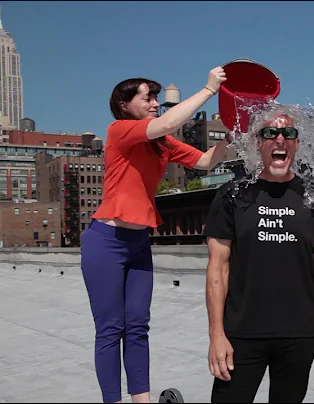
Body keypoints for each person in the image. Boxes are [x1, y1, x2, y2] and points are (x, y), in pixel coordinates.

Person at [80, 67, 231, 403]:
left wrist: (230, 140)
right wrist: (208, 89)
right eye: (147, 97)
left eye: (156, 98)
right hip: (105, 242)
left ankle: (142, 400)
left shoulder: (161, 143)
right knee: (110, 330)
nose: (155, 103)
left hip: (137, 244)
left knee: (137, 328)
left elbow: (206, 161)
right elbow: (165, 122)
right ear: (124, 104)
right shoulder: (119, 130)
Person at [203, 108, 314, 403]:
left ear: (297, 143)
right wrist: (217, 335)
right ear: (257, 143)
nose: (280, 139)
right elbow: (218, 269)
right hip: (241, 333)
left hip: (298, 335)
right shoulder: (233, 195)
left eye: (288, 133)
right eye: (270, 133)